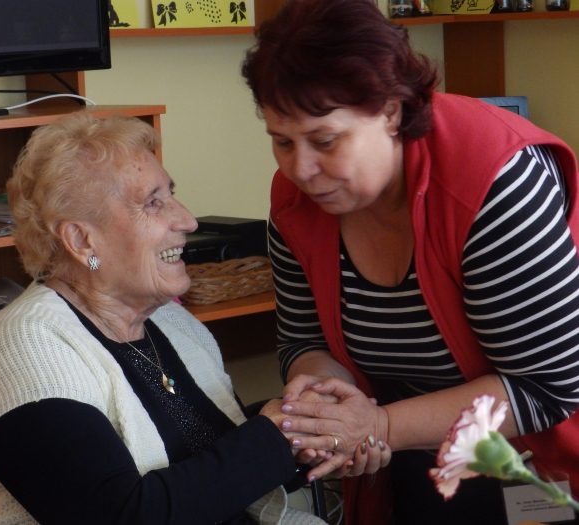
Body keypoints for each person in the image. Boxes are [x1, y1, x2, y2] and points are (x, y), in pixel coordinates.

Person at [241, 0, 579, 524]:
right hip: (416, 457)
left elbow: (546, 387)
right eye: (282, 142)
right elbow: (303, 339)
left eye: (325, 141)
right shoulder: (296, 201)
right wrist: (323, 405)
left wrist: (378, 425)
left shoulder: (492, 180)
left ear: (392, 112)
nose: (301, 169)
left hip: (541, 461)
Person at [0, 111, 330, 524]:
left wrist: (305, 431)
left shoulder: (174, 325)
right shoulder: (25, 346)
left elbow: (210, 459)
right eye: (153, 202)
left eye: (171, 194)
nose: (187, 220)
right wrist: (273, 440)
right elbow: (120, 517)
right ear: (81, 240)